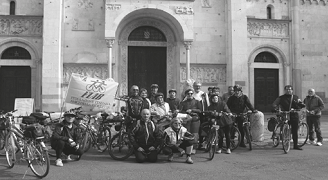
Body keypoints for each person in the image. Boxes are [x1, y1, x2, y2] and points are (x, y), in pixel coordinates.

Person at [272, 85, 305, 150]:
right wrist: (275, 108)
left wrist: (301, 105)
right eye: (287, 89)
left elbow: (300, 103)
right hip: (285, 114)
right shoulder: (281, 98)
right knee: (284, 130)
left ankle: (295, 145)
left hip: (294, 115)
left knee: (294, 130)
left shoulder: (295, 97)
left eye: (290, 89)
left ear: (292, 90)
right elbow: (274, 104)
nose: (288, 90)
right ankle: (285, 144)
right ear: (285, 90)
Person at [178, 89, 202, 154]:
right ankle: (187, 147)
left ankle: (194, 147)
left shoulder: (197, 102)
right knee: (186, 133)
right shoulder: (182, 103)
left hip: (195, 119)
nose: (190, 95)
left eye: (191, 93)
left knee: (195, 134)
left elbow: (200, 110)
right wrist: (185, 113)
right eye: (188, 94)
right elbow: (180, 111)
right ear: (186, 95)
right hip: (186, 119)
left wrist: (192, 110)